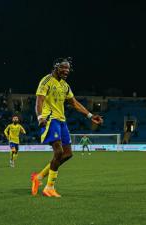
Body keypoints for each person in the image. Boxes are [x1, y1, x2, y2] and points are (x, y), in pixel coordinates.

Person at [30, 58, 103, 198]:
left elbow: (74, 103)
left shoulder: (65, 86)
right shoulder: (46, 81)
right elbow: (39, 100)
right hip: (50, 119)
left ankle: (38, 178)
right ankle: (49, 187)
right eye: (63, 68)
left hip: (62, 121)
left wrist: (90, 115)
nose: (66, 71)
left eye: (68, 69)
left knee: (67, 154)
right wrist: (40, 117)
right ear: (56, 67)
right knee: (58, 151)